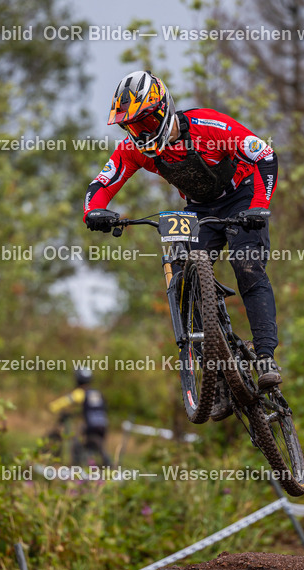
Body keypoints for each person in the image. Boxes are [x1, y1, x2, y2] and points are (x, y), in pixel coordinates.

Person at [83, 70, 281, 417]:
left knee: (246, 266)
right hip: (199, 208)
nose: (139, 133)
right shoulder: (135, 150)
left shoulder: (209, 126)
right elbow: (104, 180)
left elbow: (264, 155)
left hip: (242, 196)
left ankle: (265, 356)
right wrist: (95, 211)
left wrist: (260, 206)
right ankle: (213, 372)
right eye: (131, 127)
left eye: (145, 122)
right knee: (182, 271)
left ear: (162, 110)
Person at [47, 367, 111, 467]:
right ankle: (106, 465)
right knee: (96, 447)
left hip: (91, 425)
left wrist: (52, 407)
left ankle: (76, 466)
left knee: (77, 444)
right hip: (103, 424)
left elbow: (66, 401)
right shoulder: (97, 393)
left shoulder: (80, 393)